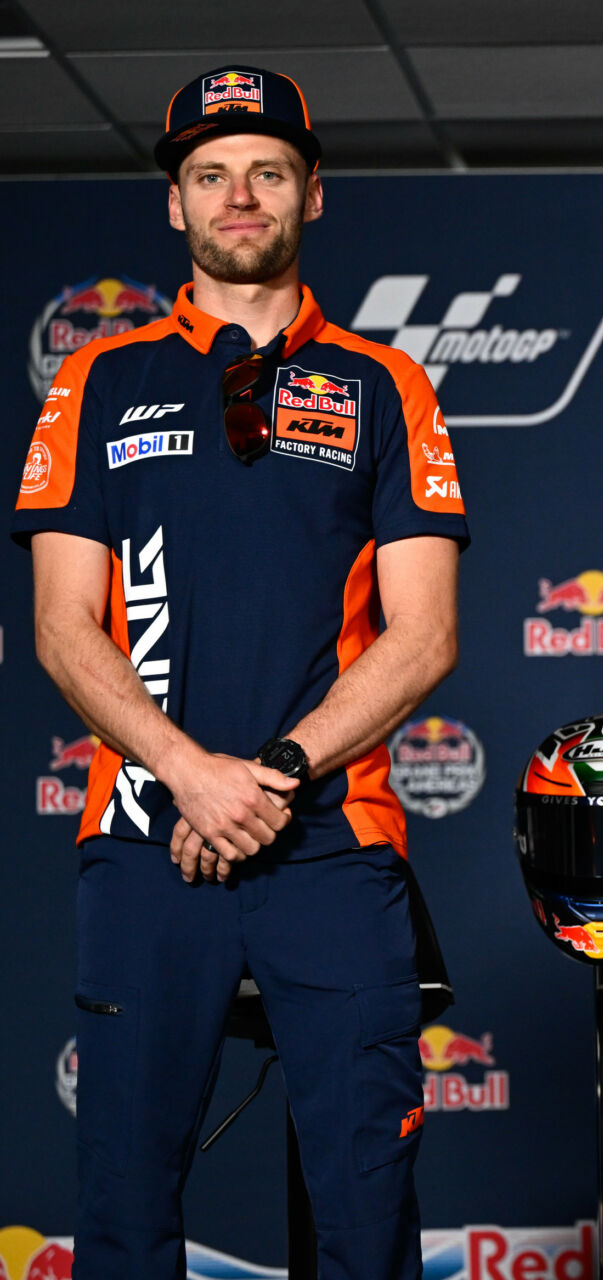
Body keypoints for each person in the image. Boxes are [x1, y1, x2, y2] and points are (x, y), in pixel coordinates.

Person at [14, 66, 468, 1279]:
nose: (240, 195)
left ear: (312, 192)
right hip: (144, 836)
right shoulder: (96, 380)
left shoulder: (387, 382)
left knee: (367, 1211)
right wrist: (186, 773)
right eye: (210, 174)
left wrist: (265, 777)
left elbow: (424, 636)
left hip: (333, 840)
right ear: (176, 204)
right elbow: (63, 625)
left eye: (268, 170)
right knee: (121, 1206)